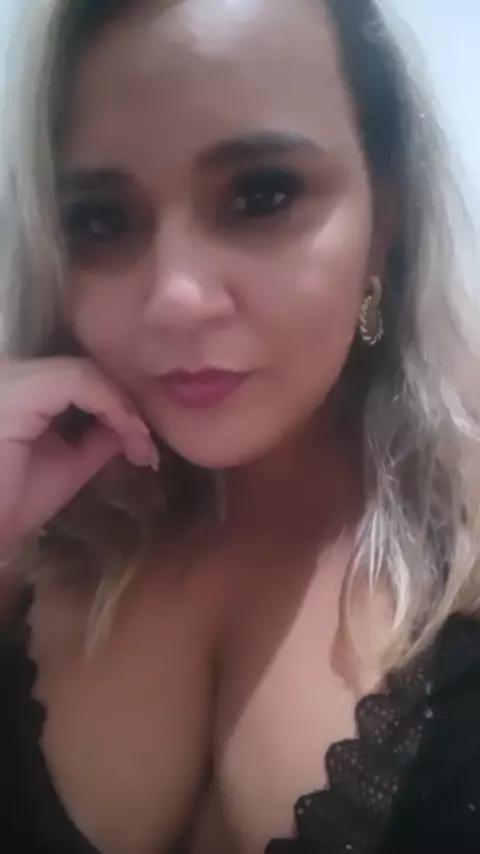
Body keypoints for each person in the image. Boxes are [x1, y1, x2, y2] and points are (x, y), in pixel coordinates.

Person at [1, 0, 480, 851]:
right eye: (102, 220)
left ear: (385, 222)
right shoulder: (33, 525)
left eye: (263, 195)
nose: (176, 298)